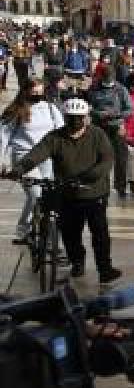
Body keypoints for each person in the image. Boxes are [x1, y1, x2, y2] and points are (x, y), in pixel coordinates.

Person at [10, 97, 120, 283]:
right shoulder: (55, 137)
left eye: (79, 117)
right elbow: (37, 154)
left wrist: (88, 176)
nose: (75, 122)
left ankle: (105, 269)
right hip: (67, 194)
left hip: (94, 193)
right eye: (71, 118)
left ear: (86, 118)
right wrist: (19, 169)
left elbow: (107, 160)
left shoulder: (98, 135)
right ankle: (77, 262)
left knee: (100, 234)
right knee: (70, 233)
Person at [0, 79, 64, 244]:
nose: (37, 96)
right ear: (26, 91)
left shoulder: (51, 109)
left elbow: (62, 131)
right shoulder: (16, 110)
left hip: (46, 157)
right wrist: (2, 161)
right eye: (34, 92)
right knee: (35, 194)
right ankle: (24, 229)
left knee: (49, 195)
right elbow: (3, 137)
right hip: (24, 157)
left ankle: (46, 230)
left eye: (40, 92)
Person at [86, 66, 134, 199]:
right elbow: (87, 106)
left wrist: (115, 114)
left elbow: (130, 110)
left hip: (117, 127)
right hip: (99, 127)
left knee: (121, 159)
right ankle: (102, 186)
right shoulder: (94, 88)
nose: (108, 81)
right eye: (105, 79)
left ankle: (121, 187)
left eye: (110, 79)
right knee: (100, 159)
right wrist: (96, 113)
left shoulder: (121, 89)